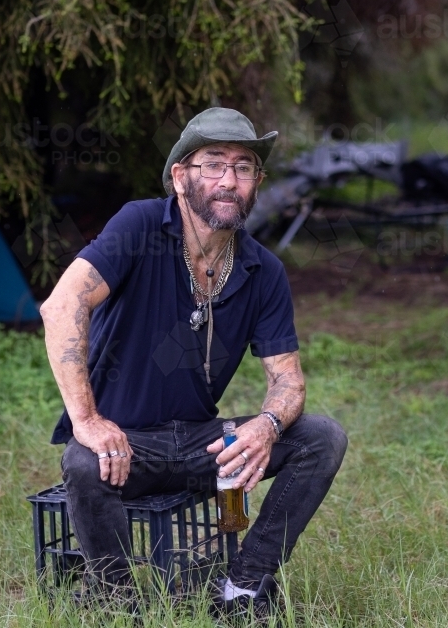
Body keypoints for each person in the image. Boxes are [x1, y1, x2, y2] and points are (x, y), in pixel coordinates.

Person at [39, 107, 348, 618]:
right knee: (81, 460)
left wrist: (267, 426)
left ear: (257, 183)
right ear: (181, 177)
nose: (229, 180)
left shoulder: (262, 270)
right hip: (126, 443)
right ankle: (117, 602)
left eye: (244, 167)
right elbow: (62, 305)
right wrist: (88, 421)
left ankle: (243, 587)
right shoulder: (140, 225)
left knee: (322, 437)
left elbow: (287, 380)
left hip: (205, 444)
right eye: (213, 164)